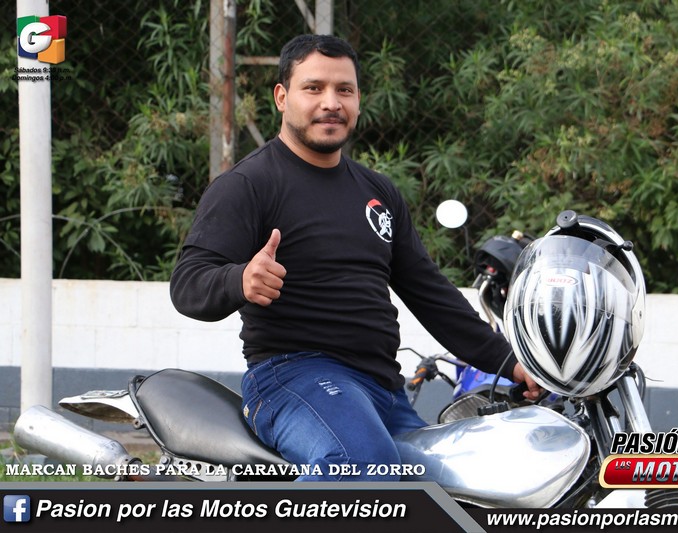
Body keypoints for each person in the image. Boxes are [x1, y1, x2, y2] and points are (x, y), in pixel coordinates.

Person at [170, 34, 542, 481]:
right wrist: (240, 280)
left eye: (344, 89)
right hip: (294, 378)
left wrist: (511, 362)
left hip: (384, 391)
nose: (331, 102)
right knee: (362, 470)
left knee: (457, 488)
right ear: (282, 97)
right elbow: (188, 284)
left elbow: (430, 293)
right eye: (314, 88)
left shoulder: (378, 191)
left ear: (358, 101)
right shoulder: (248, 185)